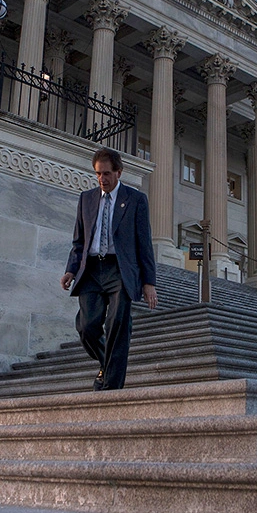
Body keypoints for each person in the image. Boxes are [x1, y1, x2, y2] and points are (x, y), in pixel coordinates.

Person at [61, 147, 157, 390]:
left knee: (117, 325)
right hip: (91, 269)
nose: (102, 179)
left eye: (106, 173)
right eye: (97, 174)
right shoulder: (87, 198)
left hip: (120, 270)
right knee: (86, 327)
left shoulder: (135, 200)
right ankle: (107, 362)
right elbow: (79, 240)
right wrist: (71, 269)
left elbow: (144, 243)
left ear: (119, 172)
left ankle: (111, 387)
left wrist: (148, 282)